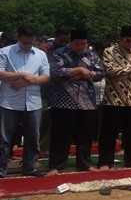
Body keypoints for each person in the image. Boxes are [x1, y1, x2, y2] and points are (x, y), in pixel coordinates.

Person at [47, 28, 106, 174]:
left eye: (84, 44)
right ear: (71, 42)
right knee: (61, 135)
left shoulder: (91, 55)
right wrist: (77, 70)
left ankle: (85, 163)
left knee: (85, 135)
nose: (81, 47)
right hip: (63, 101)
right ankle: (56, 166)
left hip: (87, 102)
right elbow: (55, 72)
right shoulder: (60, 53)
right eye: (78, 44)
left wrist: (88, 73)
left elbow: (101, 73)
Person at [0, 26, 51, 178]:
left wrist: (28, 81)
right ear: (18, 38)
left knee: (33, 137)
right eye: (24, 42)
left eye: (30, 42)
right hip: (9, 101)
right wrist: (21, 75)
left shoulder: (40, 54)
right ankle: (1, 169)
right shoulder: (5, 52)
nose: (27, 45)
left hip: (33, 101)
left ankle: (30, 167)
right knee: (4, 138)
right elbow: (1, 74)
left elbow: (46, 77)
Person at [98, 25, 131, 170]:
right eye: (129, 41)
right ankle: (105, 162)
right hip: (113, 98)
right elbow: (110, 70)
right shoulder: (109, 52)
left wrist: (124, 74)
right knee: (109, 133)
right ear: (121, 39)